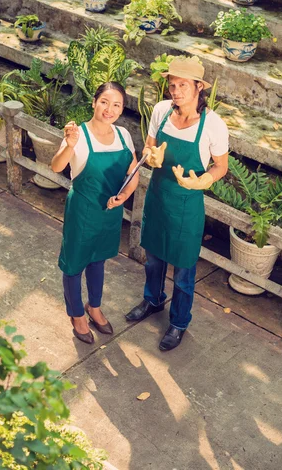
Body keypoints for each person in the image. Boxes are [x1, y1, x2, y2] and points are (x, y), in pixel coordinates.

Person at [125, 56, 229, 351]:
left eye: (183, 85)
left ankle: (179, 322)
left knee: (183, 271)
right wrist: (151, 155)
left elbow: (221, 166)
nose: (176, 90)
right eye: (172, 85)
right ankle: (153, 301)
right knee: (154, 259)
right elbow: (148, 145)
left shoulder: (214, 125)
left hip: (187, 205)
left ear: (199, 87)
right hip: (158, 198)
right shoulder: (161, 110)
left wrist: (202, 181)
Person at [52, 82, 138, 344]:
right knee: (74, 263)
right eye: (104, 102)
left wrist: (124, 196)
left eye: (116, 105)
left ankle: (95, 307)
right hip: (83, 210)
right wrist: (69, 145)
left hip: (110, 211)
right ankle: (77, 315)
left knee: (98, 260)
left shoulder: (123, 135)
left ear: (122, 109)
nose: (109, 109)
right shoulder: (78, 135)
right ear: (94, 102)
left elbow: (133, 172)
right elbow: (56, 166)